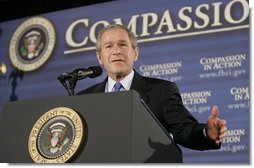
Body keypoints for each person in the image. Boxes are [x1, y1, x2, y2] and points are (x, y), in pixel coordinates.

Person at [77, 24, 227, 151]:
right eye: (108, 46)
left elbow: (183, 130)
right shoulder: (85, 99)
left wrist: (206, 132)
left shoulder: (163, 90)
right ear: (100, 57)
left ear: (135, 53)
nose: (116, 51)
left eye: (123, 44)